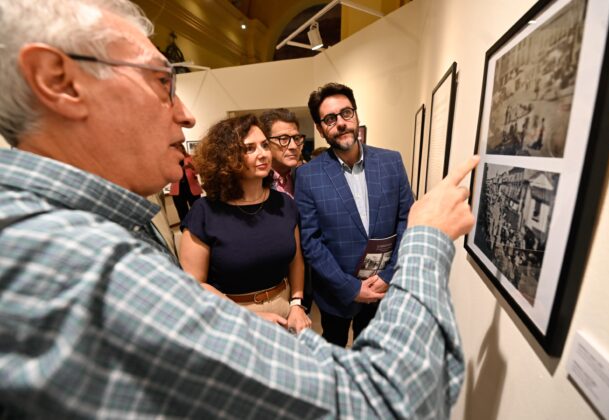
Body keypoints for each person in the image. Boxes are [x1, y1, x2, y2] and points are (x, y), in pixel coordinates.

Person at [0, 1, 478, 417]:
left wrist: (284, 305)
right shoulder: (83, 264)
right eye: (162, 81)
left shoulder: (90, 229)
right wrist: (426, 236)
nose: (186, 113)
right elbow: (386, 402)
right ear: (58, 80)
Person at [294, 82, 415, 347]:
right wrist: (351, 288)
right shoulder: (307, 176)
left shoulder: (391, 162)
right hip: (337, 294)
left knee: (374, 352)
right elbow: (311, 242)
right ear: (320, 128)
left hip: (384, 287)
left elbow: (408, 221)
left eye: (346, 113)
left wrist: (388, 275)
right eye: (330, 118)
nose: (340, 123)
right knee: (334, 349)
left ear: (356, 115)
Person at [178, 114, 311, 332]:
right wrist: (247, 316)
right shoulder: (204, 212)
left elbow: (296, 261)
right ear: (227, 158)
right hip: (230, 314)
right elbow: (194, 284)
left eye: (265, 145)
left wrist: (296, 304)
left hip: (283, 308)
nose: (263, 154)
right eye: (250, 148)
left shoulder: (284, 204)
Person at [259, 108, 305, 198]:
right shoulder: (256, 183)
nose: (294, 146)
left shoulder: (303, 177)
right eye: (283, 139)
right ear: (266, 143)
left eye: (296, 138)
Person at [169, 143, 202, 222]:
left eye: (179, 147)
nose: (177, 149)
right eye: (175, 148)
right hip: (178, 190)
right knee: (182, 213)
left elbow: (198, 171)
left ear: (183, 148)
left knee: (197, 211)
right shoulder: (171, 161)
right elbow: (169, 175)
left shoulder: (191, 158)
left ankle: (199, 230)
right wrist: (181, 168)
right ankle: (185, 231)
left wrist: (192, 167)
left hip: (192, 188)